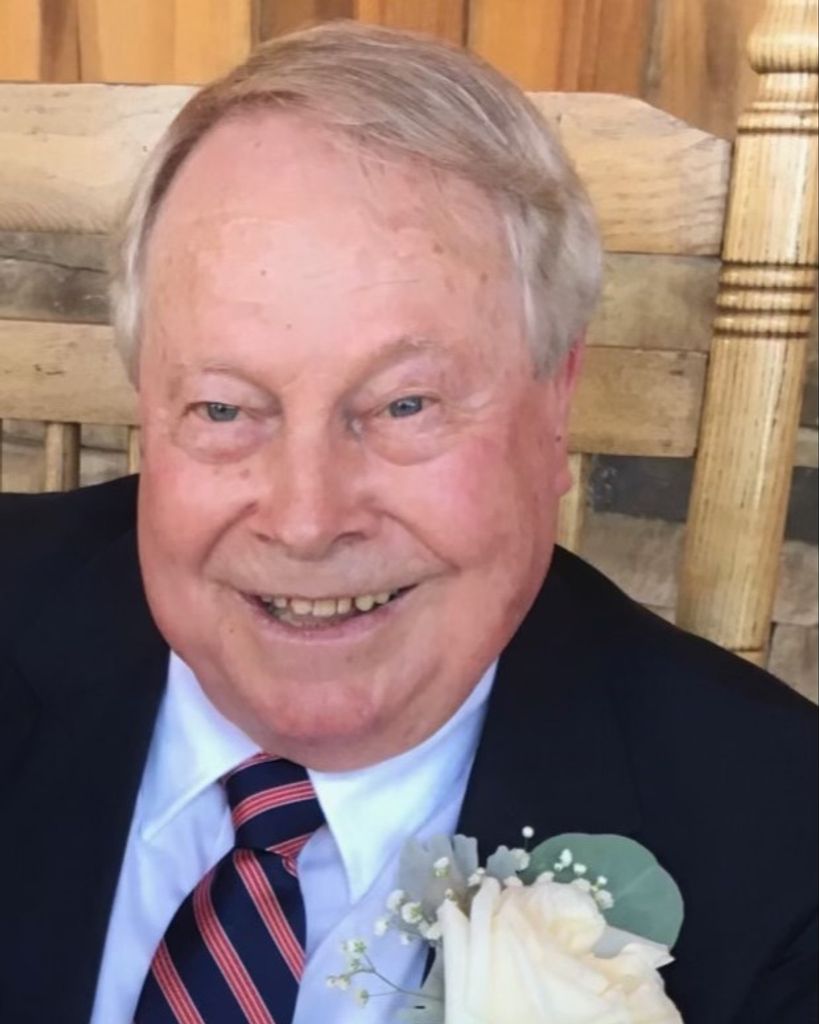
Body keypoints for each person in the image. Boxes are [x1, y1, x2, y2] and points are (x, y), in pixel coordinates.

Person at [0, 20, 815, 1024]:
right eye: (223, 408)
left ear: (557, 401)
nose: (306, 519)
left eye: (403, 405)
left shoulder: (785, 851)